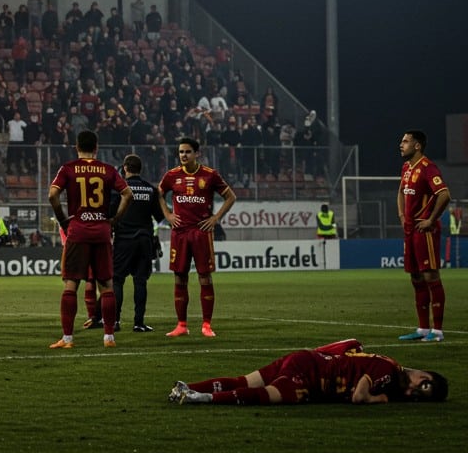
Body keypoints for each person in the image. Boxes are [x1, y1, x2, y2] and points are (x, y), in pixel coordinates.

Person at [169, 338, 448, 405]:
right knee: (269, 395)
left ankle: (187, 386)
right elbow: (359, 396)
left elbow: (349, 343)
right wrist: (379, 399)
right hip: (313, 376)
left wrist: (318, 356)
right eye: (420, 387)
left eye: (416, 395)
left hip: (306, 359)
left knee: (246, 380)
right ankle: (200, 398)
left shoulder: (380, 359)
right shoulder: (389, 371)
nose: (410, 391)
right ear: (425, 375)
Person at [47, 130, 132, 349]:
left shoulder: (68, 169)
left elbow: (52, 195)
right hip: (102, 230)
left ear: (77, 147)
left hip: (78, 229)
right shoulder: (108, 169)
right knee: (106, 285)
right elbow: (127, 194)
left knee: (71, 284)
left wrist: (63, 219)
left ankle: (67, 339)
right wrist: (114, 220)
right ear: (96, 147)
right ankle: (109, 337)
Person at [157, 137, 236, 338]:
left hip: (201, 232)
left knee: (204, 277)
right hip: (180, 233)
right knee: (179, 277)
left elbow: (230, 197)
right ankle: (181, 325)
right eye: (181, 152)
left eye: (187, 152)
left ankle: (206, 325)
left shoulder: (210, 175)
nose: (183, 155)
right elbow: (158, 194)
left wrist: (216, 218)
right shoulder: (171, 176)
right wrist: (167, 215)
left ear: (196, 153)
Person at [396, 130, 451, 342]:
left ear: (417, 145)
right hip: (409, 230)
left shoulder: (428, 168)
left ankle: (437, 331)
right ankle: (422, 329)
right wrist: (401, 214)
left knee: (430, 276)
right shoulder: (406, 168)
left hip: (424, 230)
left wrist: (431, 219)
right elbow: (400, 191)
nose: (401, 145)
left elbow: (444, 194)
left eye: (405, 141)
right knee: (416, 277)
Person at [111, 154, 162, 333]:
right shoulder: (150, 189)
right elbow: (159, 216)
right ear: (141, 169)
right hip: (144, 240)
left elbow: (112, 213)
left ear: (125, 168)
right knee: (140, 281)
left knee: (117, 280)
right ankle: (138, 323)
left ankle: (115, 322)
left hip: (124, 239)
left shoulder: (120, 189)